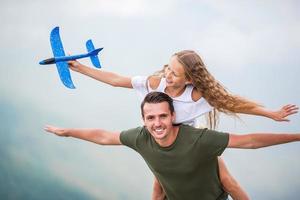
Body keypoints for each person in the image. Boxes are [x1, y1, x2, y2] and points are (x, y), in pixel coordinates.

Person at [67, 50, 298, 199]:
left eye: (175, 73)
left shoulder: (196, 96)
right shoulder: (155, 83)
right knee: (159, 189)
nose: (167, 74)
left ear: (188, 79)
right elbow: (116, 81)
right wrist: (81, 68)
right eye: (168, 67)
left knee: (227, 182)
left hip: (192, 145)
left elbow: (234, 104)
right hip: (162, 142)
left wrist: (270, 113)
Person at [45, 91, 300, 200]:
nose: (157, 123)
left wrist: (297, 136)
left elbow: (251, 142)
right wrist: (67, 132)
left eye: (163, 116)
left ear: (173, 116)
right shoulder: (140, 137)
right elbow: (103, 136)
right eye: (150, 118)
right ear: (143, 120)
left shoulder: (198, 139)